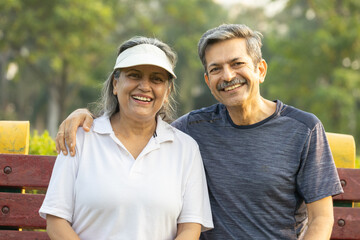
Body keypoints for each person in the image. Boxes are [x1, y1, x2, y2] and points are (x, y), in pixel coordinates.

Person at [56, 24, 343, 239]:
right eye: (216, 69)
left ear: (261, 69)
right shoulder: (192, 131)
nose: (228, 76)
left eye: (237, 64)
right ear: (207, 80)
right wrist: (85, 117)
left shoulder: (303, 129)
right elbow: (140, 121)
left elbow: (321, 220)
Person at [39, 36, 213, 240]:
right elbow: (56, 221)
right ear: (115, 83)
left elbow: (189, 229)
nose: (144, 86)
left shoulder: (185, 148)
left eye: (156, 79)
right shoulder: (81, 138)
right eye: (134, 75)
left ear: (167, 92)